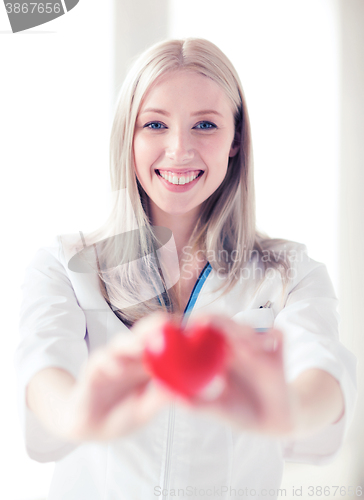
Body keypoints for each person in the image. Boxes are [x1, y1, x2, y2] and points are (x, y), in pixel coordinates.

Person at [15, 38, 357, 500]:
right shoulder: (65, 265)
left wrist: (292, 409)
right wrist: (77, 411)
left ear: (236, 140)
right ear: (128, 135)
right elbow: (42, 368)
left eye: (205, 125)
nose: (179, 150)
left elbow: (322, 370)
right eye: (155, 123)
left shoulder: (291, 272)